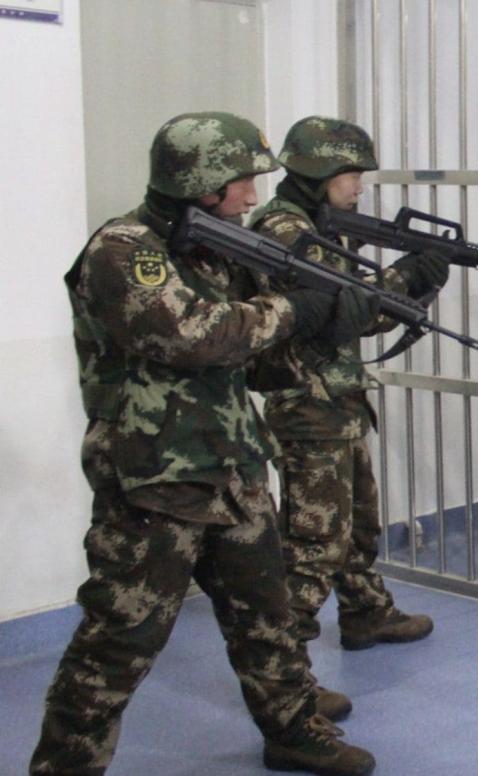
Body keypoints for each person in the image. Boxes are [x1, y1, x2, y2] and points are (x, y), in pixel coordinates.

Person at [30, 113, 374, 775]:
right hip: (156, 477)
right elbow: (196, 335)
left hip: (232, 464)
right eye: (242, 180)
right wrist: (293, 309)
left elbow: (255, 362)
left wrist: (335, 312)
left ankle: (293, 730)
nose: (253, 195)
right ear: (200, 180)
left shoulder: (217, 247)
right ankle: (64, 766)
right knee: (121, 637)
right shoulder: (125, 249)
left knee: (267, 616)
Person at [249, 117, 449, 689]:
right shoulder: (286, 230)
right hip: (306, 402)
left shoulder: (322, 224)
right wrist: (407, 277)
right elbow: (350, 315)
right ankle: (282, 679)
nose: (360, 186)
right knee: (314, 542)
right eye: (353, 174)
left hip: (335, 396)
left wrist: (412, 278)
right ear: (321, 171)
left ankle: (365, 611)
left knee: (358, 520)